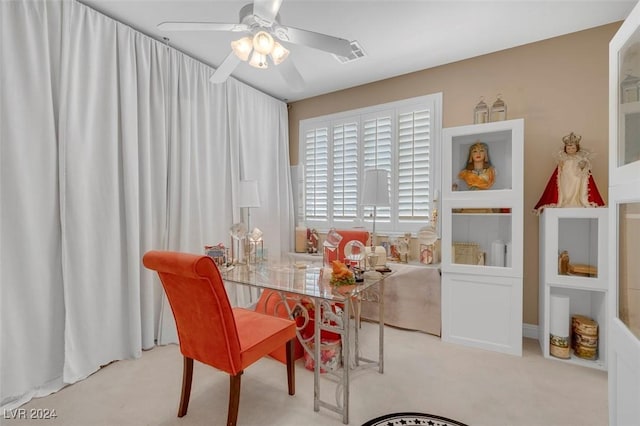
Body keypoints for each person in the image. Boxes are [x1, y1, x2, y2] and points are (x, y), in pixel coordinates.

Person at [533, 132, 605, 214]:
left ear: (577, 148)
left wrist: (583, 166)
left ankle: (575, 200)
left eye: (573, 148)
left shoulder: (580, 158)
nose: (571, 150)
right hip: (566, 176)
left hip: (576, 176)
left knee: (576, 187)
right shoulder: (563, 158)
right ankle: (566, 201)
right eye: (568, 148)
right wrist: (560, 167)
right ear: (565, 149)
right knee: (566, 189)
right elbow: (559, 169)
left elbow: (585, 170)